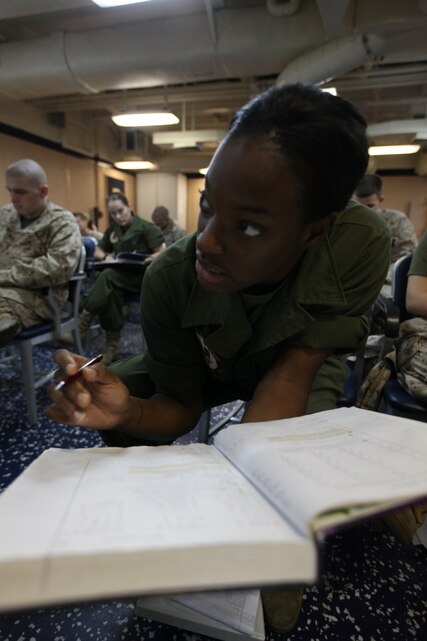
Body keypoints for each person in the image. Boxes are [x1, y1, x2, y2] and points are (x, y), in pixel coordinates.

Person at [47, 83, 391, 632]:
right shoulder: (171, 277)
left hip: (298, 358)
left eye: (248, 226)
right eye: (208, 206)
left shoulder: (359, 241)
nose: (207, 241)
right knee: (126, 399)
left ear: (314, 230)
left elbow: (299, 365)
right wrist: (128, 415)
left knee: (287, 462)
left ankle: (275, 558)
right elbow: (182, 403)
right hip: (214, 363)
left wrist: (250, 497)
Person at [0, 158, 81, 347]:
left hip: (40, 298)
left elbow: (59, 267)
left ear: (43, 191)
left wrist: (4, 276)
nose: (13, 199)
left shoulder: (62, 222)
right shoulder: (5, 215)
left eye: (20, 192)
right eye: (9, 191)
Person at [78, 192, 165, 365]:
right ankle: (112, 347)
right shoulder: (113, 229)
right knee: (111, 290)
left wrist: (148, 258)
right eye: (113, 213)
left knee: (107, 276)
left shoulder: (147, 227)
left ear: (129, 207)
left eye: (121, 211)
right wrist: (106, 257)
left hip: (142, 279)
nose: (118, 216)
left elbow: (162, 252)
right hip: (120, 279)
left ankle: (85, 319)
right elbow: (98, 250)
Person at [353, 173, 417, 297]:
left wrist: (372, 276)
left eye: (369, 206)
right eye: (358, 206)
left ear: (381, 200)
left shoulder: (398, 222)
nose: (364, 212)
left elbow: (405, 263)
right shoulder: (344, 222)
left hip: (385, 284)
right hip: (352, 285)